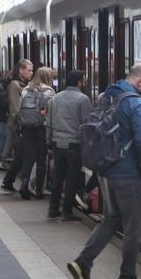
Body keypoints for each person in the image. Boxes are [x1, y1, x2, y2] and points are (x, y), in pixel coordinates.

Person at [67, 63, 141, 279]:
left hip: (106, 170)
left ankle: (82, 262)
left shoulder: (108, 96)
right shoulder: (137, 103)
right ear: (140, 81)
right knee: (134, 228)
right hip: (128, 175)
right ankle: (127, 278)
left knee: (110, 219)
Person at [46, 70, 92, 220]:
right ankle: (67, 210)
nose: (84, 83)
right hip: (74, 144)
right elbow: (86, 124)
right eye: (84, 80)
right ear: (79, 82)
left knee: (58, 176)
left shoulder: (55, 98)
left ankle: (53, 209)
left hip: (57, 143)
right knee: (72, 178)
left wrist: (49, 141)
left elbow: (49, 123)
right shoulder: (83, 99)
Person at [18, 67, 55, 200]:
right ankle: (39, 190)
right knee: (41, 160)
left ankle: (24, 184)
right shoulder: (49, 92)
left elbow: (19, 108)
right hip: (42, 128)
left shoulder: (26, 89)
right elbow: (51, 112)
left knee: (28, 159)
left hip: (27, 128)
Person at [1, 59, 34, 192]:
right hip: (18, 125)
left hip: (20, 124)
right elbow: (15, 108)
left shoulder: (23, 84)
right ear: (21, 70)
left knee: (20, 155)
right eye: (29, 70)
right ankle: (10, 181)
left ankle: (8, 181)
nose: (31, 73)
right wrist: (21, 125)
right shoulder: (15, 85)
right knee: (21, 154)